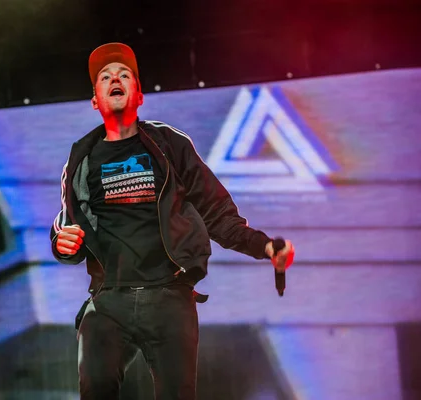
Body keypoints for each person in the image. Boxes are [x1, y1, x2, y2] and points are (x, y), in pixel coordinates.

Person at [50, 42, 295, 400]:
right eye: (105, 77)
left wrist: (265, 246)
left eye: (124, 75)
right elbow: (69, 231)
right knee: (95, 387)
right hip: (108, 301)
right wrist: (61, 244)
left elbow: (217, 214)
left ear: (139, 95)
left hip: (169, 298)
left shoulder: (170, 145)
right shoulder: (80, 160)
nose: (114, 79)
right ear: (95, 100)